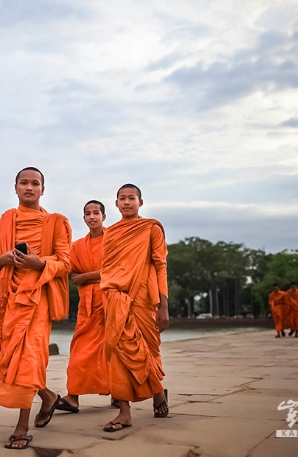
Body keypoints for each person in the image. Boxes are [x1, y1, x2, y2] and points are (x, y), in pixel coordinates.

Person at [0, 167, 71, 450]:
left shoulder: (56, 222)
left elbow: (65, 263)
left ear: (43, 189)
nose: (29, 187)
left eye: (35, 183)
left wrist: (39, 264)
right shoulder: (4, 222)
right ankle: (47, 397)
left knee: (29, 358)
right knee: (16, 359)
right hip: (10, 299)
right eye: (24, 183)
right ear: (16, 187)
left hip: (37, 299)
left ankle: (21, 426)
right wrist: (5, 259)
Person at [99, 184, 169, 432]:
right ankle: (124, 412)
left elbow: (160, 265)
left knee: (146, 351)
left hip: (144, 298)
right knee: (119, 352)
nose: (127, 202)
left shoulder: (151, 228)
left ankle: (158, 393)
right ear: (116, 204)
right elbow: (107, 267)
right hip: (116, 296)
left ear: (141, 202)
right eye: (122, 198)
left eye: (131, 198)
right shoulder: (111, 232)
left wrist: (163, 305)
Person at [57, 200, 110, 414]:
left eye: (96, 213)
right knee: (79, 349)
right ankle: (73, 396)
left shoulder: (115, 240)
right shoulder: (77, 246)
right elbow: (68, 270)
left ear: (104, 216)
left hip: (112, 302)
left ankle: (119, 392)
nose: (92, 217)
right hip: (88, 306)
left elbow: (122, 269)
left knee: (114, 350)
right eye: (88, 213)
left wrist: (89, 276)